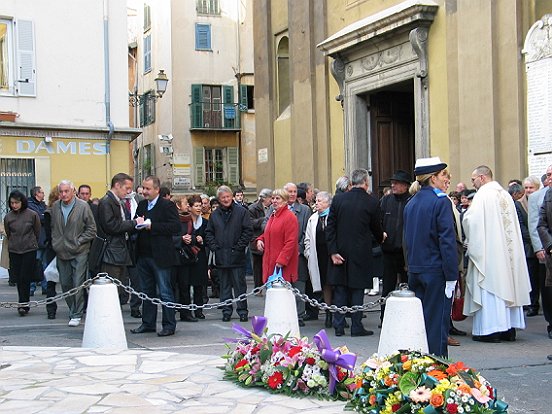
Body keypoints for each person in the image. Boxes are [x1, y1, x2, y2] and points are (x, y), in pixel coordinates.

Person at [463, 165, 531, 343]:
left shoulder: (484, 194)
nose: (474, 183)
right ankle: (508, 329)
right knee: (508, 285)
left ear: (483, 178)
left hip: (490, 254)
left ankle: (490, 330)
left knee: (491, 287)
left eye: (474, 179)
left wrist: (465, 219)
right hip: (507, 254)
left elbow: (472, 221)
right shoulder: (505, 194)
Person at [403, 157, 458, 357]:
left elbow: (407, 240)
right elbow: (447, 242)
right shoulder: (440, 201)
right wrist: (452, 275)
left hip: (416, 270)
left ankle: (419, 367)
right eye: (443, 174)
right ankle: (437, 370)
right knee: (436, 325)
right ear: (432, 178)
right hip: (436, 272)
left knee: (420, 325)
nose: (447, 179)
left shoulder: (411, 202)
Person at [326, 168, 385, 337]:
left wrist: (333, 251)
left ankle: (338, 325)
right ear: (366, 183)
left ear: (351, 183)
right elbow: (376, 228)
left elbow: (330, 227)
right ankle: (356, 326)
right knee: (357, 290)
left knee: (340, 290)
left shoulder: (338, 200)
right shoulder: (372, 202)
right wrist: (381, 237)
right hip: (361, 252)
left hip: (340, 250)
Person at [130, 176, 180, 337]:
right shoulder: (142, 205)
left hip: (160, 256)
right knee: (147, 291)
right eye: (143, 188)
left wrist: (153, 226)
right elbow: (136, 221)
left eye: (148, 189)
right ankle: (148, 323)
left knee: (165, 291)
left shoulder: (167, 205)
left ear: (157, 190)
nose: (144, 191)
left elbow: (175, 227)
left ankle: (169, 324)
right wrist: (136, 223)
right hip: (143, 255)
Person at [51, 180, 96, 327]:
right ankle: (73, 309)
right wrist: (56, 242)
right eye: (61, 191)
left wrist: (79, 241)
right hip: (61, 250)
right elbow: (53, 227)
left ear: (73, 191)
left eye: (66, 191)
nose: (63, 194)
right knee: (65, 283)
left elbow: (91, 229)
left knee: (78, 282)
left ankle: (76, 313)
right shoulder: (55, 207)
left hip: (79, 251)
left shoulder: (83, 206)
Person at [205, 185, 253, 322]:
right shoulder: (214, 215)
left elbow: (247, 231)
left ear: (232, 197)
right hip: (221, 256)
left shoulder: (241, 212)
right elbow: (209, 233)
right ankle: (226, 311)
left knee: (240, 286)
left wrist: (239, 247)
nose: (226, 199)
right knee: (224, 287)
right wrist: (215, 247)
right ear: (219, 199)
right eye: (223, 198)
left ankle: (242, 311)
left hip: (237, 256)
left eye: (227, 197)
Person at [97, 173, 144, 307]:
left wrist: (138, 225)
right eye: (127, 188)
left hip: (120, 250)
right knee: (112, 288)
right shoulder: (107, 202)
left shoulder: (119, 202)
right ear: (117, 185)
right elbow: (111, 226)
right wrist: (134, 223)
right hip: (111, 252)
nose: (129, 191)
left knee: (119, 288)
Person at [379, 170, 411, 323]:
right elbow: (378, 221)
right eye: (392, 182)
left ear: (405, 185)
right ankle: (384, 317)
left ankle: (406, 317)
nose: (393, 185)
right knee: (387, 286)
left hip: (405, 253)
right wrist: (381, 234)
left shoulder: (411, 201)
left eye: (396, 183)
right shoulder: (386, 201)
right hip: (389, 251)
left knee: (407, 285)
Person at [3, 190, 41, 316]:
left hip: (29, 249)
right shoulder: (8, 217)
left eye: (17, 203)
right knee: (18, 278)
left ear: (22, 202)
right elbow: (9, 233)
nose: (14, 205)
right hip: (14, 250)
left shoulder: (32, 215)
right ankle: (22, 303)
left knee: (25, 277)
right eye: (12, 203)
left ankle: (24, 303)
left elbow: (37, 230)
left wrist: (32, 243)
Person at [175, 195, 209, 322]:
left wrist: (202, 240)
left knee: (199, 284)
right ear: (189, 207)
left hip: (199, 256)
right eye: (196, 206)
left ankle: (198, 310)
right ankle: (185, 311)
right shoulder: (183, 220)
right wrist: (193, 239)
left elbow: (209, 237)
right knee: (184, 284)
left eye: (200, 205)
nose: (199, 208)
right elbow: (180, 236)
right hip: (186, 255)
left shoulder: (205, 222)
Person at [282, 182, 312, 325]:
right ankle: (285, 313)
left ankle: (299, 315)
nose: (293, 194)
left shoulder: (305, 210)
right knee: (284, 286)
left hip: (298, 254)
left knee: (299, 285)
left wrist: (299, 249)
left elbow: (307, 231)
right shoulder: (277, 208)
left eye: (294, 191)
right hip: (282, 254)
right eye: (290, 191)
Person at [256, 188, 299, 286]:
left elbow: (291, 241)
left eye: (278, 198)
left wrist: (281, 260)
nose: (274, 201)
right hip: (270, 262)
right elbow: (269, 232)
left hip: (281, 265)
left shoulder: (290, 217)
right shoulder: (273, 215)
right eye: (273, 198)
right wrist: (260, 240)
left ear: (285, 200)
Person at [304, 191, 333, 328]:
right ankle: (328, 312)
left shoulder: (334, 216)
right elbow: (308, 238)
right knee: (325, 283)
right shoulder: (313, 218)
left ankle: (338, 313)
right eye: (316, 200)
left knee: (335, 284)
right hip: (319, 255)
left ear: (328, 203)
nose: (317, 203)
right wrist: (308, 252)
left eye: (320, 201)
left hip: (333, 255)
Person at [530, 166, 552, 339]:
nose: (547, 178)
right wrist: (547, 246)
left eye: (551, 174)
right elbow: (539, 224)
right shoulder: (545, 196)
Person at [248, 188, 273, 290]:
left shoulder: (272, 208)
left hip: (268, 240)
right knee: (257, 266)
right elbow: (250, 223)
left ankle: (267, 283)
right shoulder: (253, 208)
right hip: (256, 239)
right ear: (264, 198)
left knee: (267, 264)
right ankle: (258, 286)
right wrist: (264, 220)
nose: (272, 200)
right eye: (270, 198)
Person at [27, 186, 47, 296]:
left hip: (43, 239)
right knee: (35, 264)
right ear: (37, 194)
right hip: (36, 240)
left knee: (44, 265)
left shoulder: (42, 205)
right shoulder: (30, 205)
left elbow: (47, 216)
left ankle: (45, 287)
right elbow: (39, 217)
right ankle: (31, 287)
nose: (43, 195)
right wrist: (44, 216)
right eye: (42, 193)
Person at [44, 187, 60, 319]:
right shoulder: (49, 213)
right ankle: (51, 309)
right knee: (51, 280)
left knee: (73, 280)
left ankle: (78, 308)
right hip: (53, 250)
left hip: (68, 249)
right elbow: (49, 234)